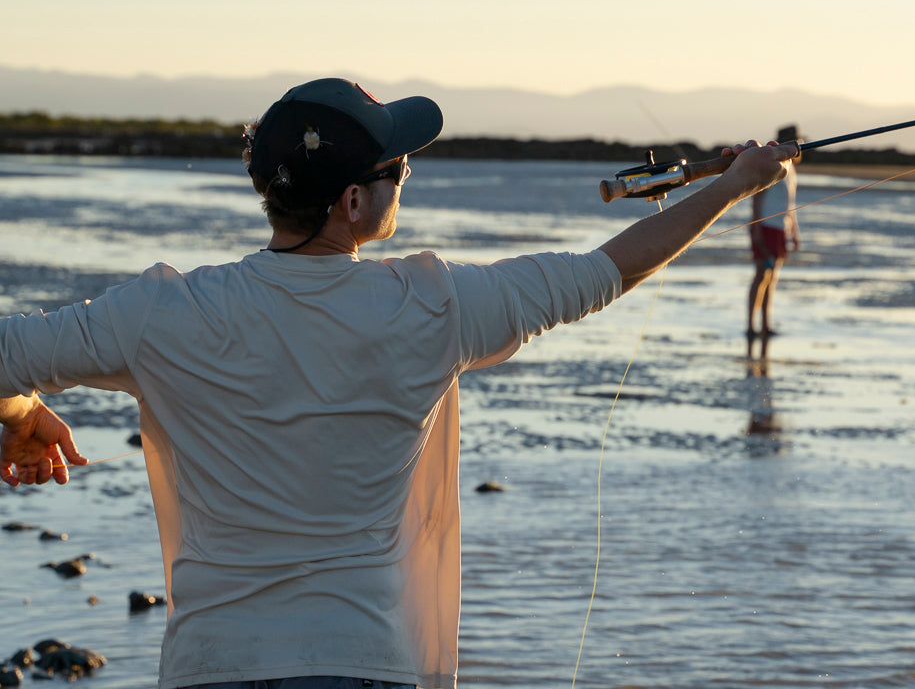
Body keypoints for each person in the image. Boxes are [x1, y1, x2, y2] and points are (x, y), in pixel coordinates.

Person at [0, 77, 795, 689]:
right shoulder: (432, 302)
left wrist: (22, 409)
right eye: (396, 165)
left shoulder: (163, 310)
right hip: (361, 660)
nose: (407, 172)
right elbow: (607, 269)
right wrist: (731, 187)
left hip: (209, 663)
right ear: (352, 202)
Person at [747, 125, 801, 339]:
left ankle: (766, 325)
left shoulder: (792, 168)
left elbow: (790, 203)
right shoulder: (772, 164)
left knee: (772, 277)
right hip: (765, 227)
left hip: (780, 228)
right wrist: (756, 229)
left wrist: (794, 231)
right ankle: (751, 326)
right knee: (761, 275)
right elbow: (756, 197)